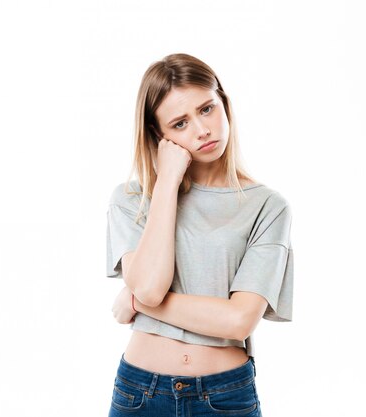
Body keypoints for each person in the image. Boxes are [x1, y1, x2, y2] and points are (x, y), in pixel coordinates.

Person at [105, 53, 294, 416]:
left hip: (225, 398)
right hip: (139, 395)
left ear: (224, 102)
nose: (201, 130)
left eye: (207, 109)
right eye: (179, 123)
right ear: (160, 137)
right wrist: (167, 183)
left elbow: (238, 320)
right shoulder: (132, 200)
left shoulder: (267, 206)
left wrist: (135, 304)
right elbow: (149, 285)